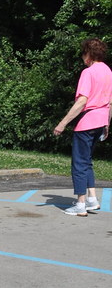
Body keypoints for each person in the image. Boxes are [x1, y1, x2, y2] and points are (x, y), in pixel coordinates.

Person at [54, 37, 112, 216]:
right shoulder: (108, 71)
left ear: (89, 54)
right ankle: (92, 199)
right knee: (87, 160)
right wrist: (107, 124)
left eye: (83, 53)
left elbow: (82, 101)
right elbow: (110, 101)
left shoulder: (88, 72)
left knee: (79, 163)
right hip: (101, 120)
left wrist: (62, 123)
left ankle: (80, 204)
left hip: (87, 122)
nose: (82, 57)